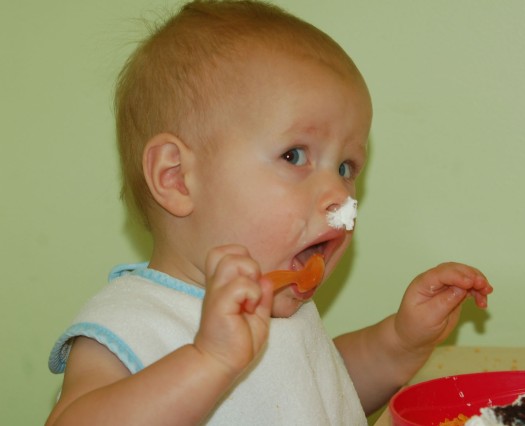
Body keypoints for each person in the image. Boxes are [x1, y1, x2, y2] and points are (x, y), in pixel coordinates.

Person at [46, 1, 493, 424]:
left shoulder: (285, 311)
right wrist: (209, 362)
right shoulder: (132, 321)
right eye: (295, 156)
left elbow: (323, 396)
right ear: (177, 177)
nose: (339, 194)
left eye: (345, 167)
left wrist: (399, 342)